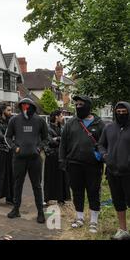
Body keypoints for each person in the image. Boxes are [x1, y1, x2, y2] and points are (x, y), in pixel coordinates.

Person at [59, 95, 105, 234]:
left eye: (81, 104)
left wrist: (101, 156)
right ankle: (79, 218)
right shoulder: (71, 123)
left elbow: (104, 144)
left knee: (93, 191)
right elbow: (63, 144)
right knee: (77, 191)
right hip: (74, 164)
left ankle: (94, 221)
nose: (78, 107)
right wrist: (62, 160)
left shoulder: (99, 124)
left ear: (88, 106)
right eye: (77, 104)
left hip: (93, 165)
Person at [5, 98, 48, 224]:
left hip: (35, 159)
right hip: (19, 159)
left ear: (32, 106)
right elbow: (7, 137)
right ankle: (16, 209)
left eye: (27, 105)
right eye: (23, 105)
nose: (25, 107)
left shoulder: (39, 120)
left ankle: (40, 212)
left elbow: (46, 138)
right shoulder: (14, 120)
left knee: (37, 186)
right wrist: (15, 148)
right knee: (17, 184)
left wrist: (39, 148)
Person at [99, 102, 130, 240]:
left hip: (128, 172)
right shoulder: (109, 128)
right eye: (119, 111)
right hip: (112, 171)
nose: (121, 114)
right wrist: (105, 155)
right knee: (118, 201)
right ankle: (123, 230)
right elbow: (101, 144)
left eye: (124, 111)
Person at [43, 110, 71, 205]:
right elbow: (49, 141)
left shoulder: (62, 128)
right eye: (61, 116)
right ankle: (47, 198)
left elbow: (66, 141)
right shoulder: (47, 127)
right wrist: (59, 139)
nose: (62, 118)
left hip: (61, 156)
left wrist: (57, 139)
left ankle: (61, 198)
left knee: (61, 177)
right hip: (51, 155)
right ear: (56, 117)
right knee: (49, 177)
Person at [0, 103, 14, 206]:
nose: (10, 112)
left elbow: (14, 135)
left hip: (11, 151)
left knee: (10, 174)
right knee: (0, 174)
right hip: (1, 151)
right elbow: (1, 137)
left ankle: (9, 198)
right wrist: (10, 139)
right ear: (3, 111)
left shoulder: (11, 122)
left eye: (10, 110)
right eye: (8, 110)